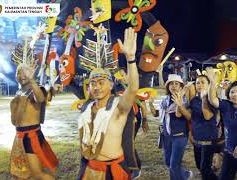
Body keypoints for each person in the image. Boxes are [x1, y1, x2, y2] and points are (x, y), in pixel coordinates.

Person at [78, 27, 139, 180]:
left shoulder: (118, 108)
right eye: (92, 83)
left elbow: (132, 88)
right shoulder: (86, 108)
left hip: (113, 170)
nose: (96, 87)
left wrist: (130, 59)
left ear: (111, 85)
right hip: (90, 168)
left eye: (101, 82)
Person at [10, 63, 58, 180]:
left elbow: (40, 99)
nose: (22, 75)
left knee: (37, 174)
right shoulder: (19, 92)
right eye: (19, 73)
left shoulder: (35, 89)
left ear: (31, 73)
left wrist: (32, 81)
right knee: (20, 175)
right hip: (19, 137)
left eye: (25, 72)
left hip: (31, 136)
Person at [149, 74, 193, 180]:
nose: (173, 86)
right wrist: (150, 103)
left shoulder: (185, 100)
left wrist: (179, 102)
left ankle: (182, 176)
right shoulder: (165, 100)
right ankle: (185, 175)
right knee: (168, 162)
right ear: (168, 87)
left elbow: (182, 115)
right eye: (171, 84)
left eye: (176, 84)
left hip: (179, 135)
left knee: (174, 164)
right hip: (166, 135)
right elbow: (156, 114)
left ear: (181, 86)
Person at [180, 74, 219, 180]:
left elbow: (207, 116)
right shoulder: (194, 100)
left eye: (203, 82)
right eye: (197, 82)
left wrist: (204, 98)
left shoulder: (213, 100)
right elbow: (190, 117)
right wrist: (179, 104)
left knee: (204, 168)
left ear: (208, 85)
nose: (199, 85)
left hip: (209, 139)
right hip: (197, 139)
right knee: (199, 167)